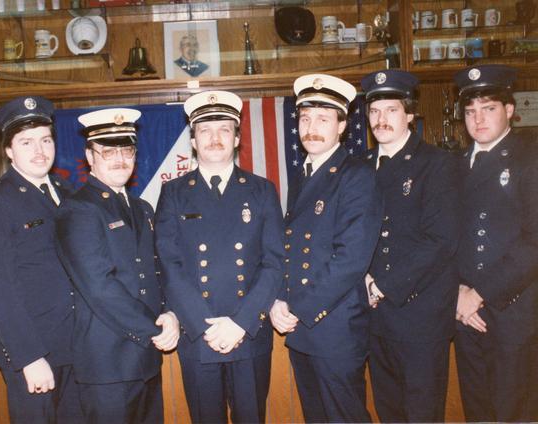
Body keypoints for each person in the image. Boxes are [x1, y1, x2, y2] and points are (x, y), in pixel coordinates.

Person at [154, 90, 284, 423]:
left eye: (224, 129)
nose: (215, 138)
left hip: (249, 330)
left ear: (237, 137)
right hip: (199, 334)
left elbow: (273, 261)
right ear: (193, 140)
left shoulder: (261, 190)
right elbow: (169, 264)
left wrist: (240, 323)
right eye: (205, 130)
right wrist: (204, 325)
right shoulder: (173, 193)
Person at [55, 108, 179, 423]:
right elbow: (100, 287)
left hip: (146, 358)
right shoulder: (79, 209)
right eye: (108, 151)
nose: (120, 159)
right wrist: (153, 329)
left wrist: (171, 313)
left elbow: (155, 272)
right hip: (108, 363)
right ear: (89, 156)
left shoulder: (141, 208)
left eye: (127, 150)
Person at [269, 73, 381, 422]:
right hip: (303, 329)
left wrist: (296, 307)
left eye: (322, 119)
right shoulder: (304, 173)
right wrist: (279, 300)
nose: (311, 128)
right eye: (304, 119)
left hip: (334, 328)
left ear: (343, 125)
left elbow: (350, 259)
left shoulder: (357, 175)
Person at [0, 96, 81, 424]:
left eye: (46, 140)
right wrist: (29, 357)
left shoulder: (69, 193)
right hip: (35, 350)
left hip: (78, 347)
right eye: (26, 142)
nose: (39, 151)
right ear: (8, 150)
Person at [359, 69, 460, 422]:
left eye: (391, 110)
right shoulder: (360, 167)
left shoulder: (437, 164)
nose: (380, 119)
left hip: (420, 318)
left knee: (421, 413)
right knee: (388, 411)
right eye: (374, 111)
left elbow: (441, 241)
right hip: (375, 316)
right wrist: (364, 281)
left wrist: (382, 284)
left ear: (410, 115)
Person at [453, 64, 538, 422]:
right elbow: (446, 238)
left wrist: (480, 292)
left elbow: (534, 241)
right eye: (471, 112)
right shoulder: (454, 166)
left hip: (511, 311)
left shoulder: (528, 159)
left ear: (509, 110)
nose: (479, 120)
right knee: (478, 411)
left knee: (513, 411)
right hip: (463, 310)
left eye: (488, 109)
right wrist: (457, 291)